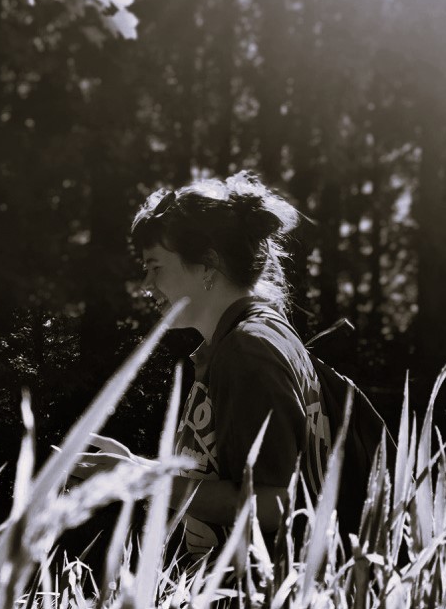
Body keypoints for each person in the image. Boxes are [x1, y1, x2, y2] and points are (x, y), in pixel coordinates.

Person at [76, 171, 332, 557]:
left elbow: (274, 503)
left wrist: (142, 480)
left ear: (207, 265)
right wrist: (140, 467)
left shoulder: (248, 350)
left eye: (156, 266)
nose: (146, 284)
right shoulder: (252, 336)